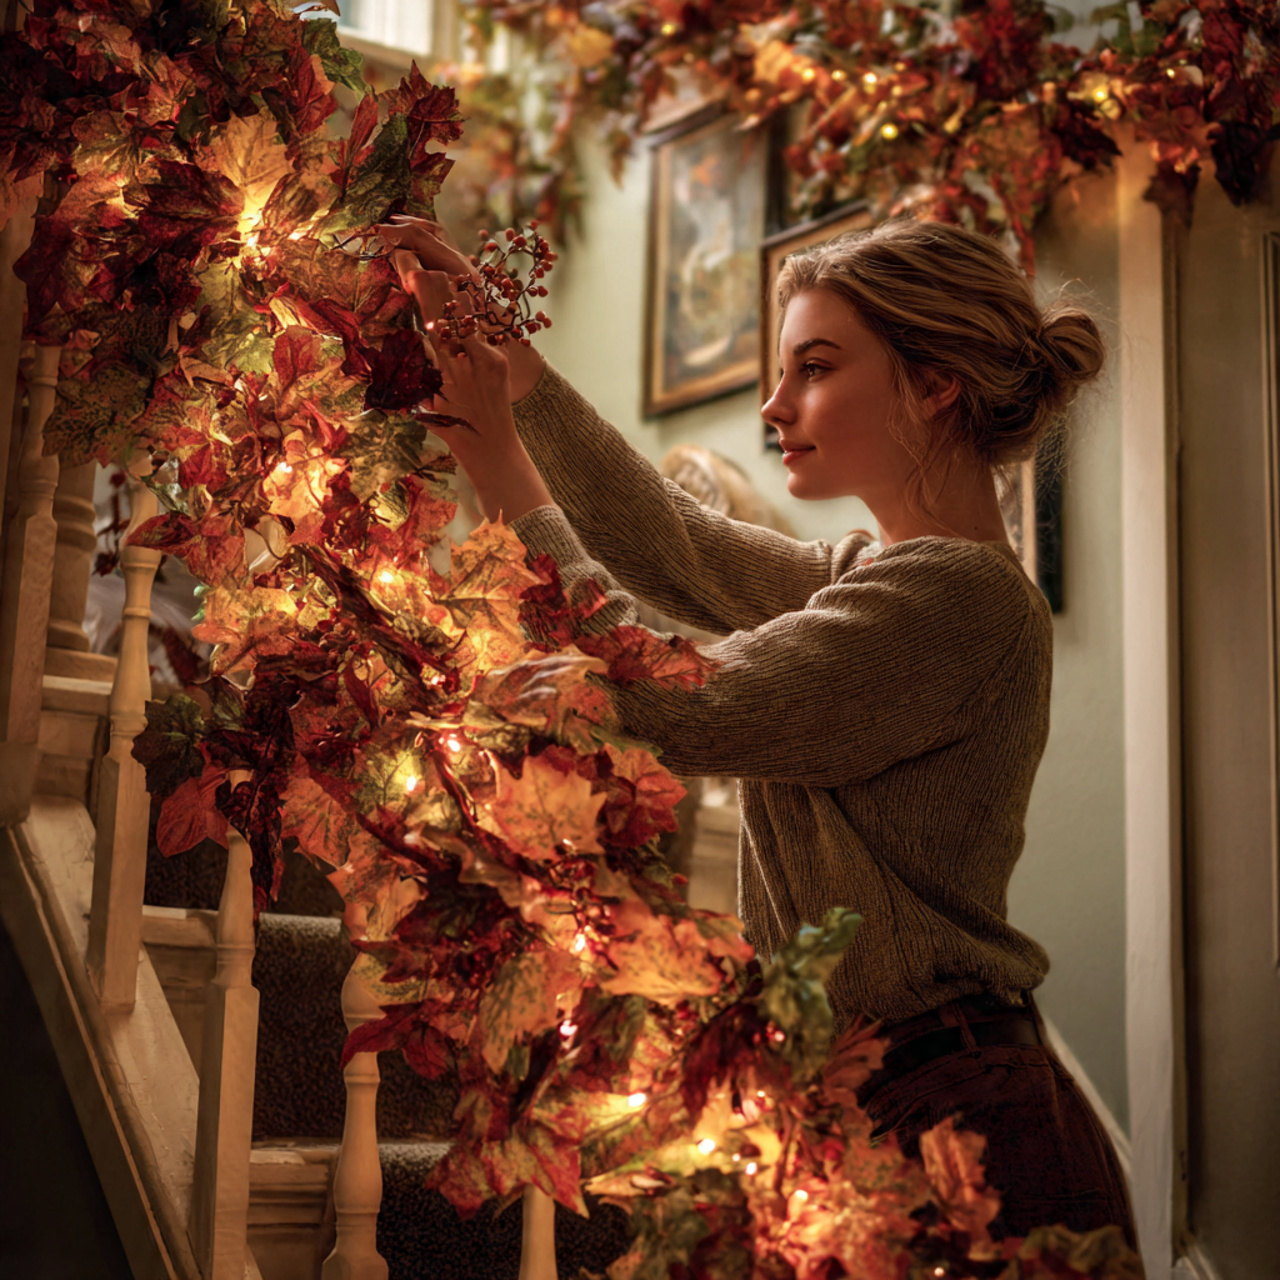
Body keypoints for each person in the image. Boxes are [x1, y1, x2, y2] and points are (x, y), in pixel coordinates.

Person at [378, 214, 1135, 1248]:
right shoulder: (875, 573)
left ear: (934, 383)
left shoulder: (963, 598)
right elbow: (675, 543)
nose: (774, 407)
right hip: (869, 1095)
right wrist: (521, 377)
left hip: (951, 1117)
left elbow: (675, 698)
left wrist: (498, 464)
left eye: (813, 368)